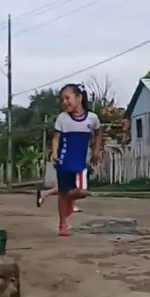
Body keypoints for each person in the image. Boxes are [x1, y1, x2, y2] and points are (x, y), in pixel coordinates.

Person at [37, 83, 101, 236]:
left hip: (81, 162)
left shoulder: (92, 118)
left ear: (79, 98)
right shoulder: (62, 118)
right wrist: (54, 153)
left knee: (81, 192)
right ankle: (63, 224)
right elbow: (56, 137)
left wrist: (96, 151)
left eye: (67, 98)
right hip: (64, 161)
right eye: (62, 100)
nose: (65, 102)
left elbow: (98, 134)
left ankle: (68, 201)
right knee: (63, 194)